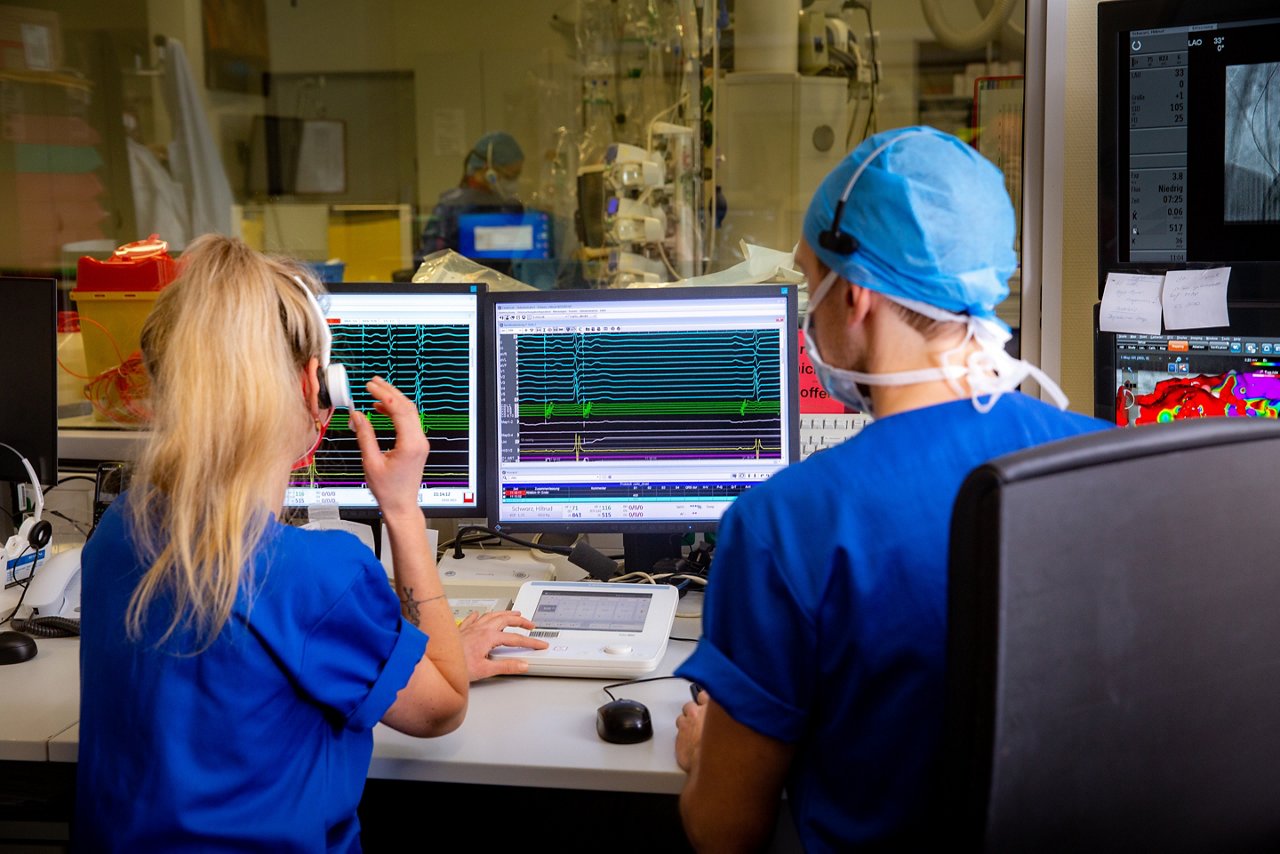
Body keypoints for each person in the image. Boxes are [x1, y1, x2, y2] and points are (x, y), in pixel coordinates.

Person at [671, 126, 1113, 852]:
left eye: (810, 286)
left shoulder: (786, 523)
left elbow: (724, 831)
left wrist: (698, 756)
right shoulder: (1106, 458)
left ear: (856, 299)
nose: (806, 315)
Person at [74, 234, 545, 850]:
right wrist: (402, 507)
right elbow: (443, 706)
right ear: (312, 387)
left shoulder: (116, 530)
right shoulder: (314, 575)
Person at [419, 130, 525, 273]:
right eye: (510, 175)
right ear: (489, 171)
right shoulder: (454, 207)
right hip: (462, 290)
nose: (513, 182)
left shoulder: (508, 208)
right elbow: (433, 263)